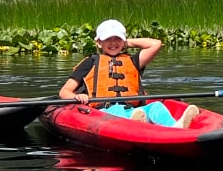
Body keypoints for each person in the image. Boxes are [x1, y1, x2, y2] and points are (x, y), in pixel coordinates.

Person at [58, 20, 200, 129]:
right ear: (98, 42)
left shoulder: (132, 61)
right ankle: (136, 122)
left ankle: (175, 127)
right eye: (108, 39)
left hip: (132, 109)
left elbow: (156, 44)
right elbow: (64, 92)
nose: (113, 43)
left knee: (156, 106)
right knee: (123, 111)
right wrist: (77, 97)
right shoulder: (90, 62)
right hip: (104, 112)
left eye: (117, 39)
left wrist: (127, 43)